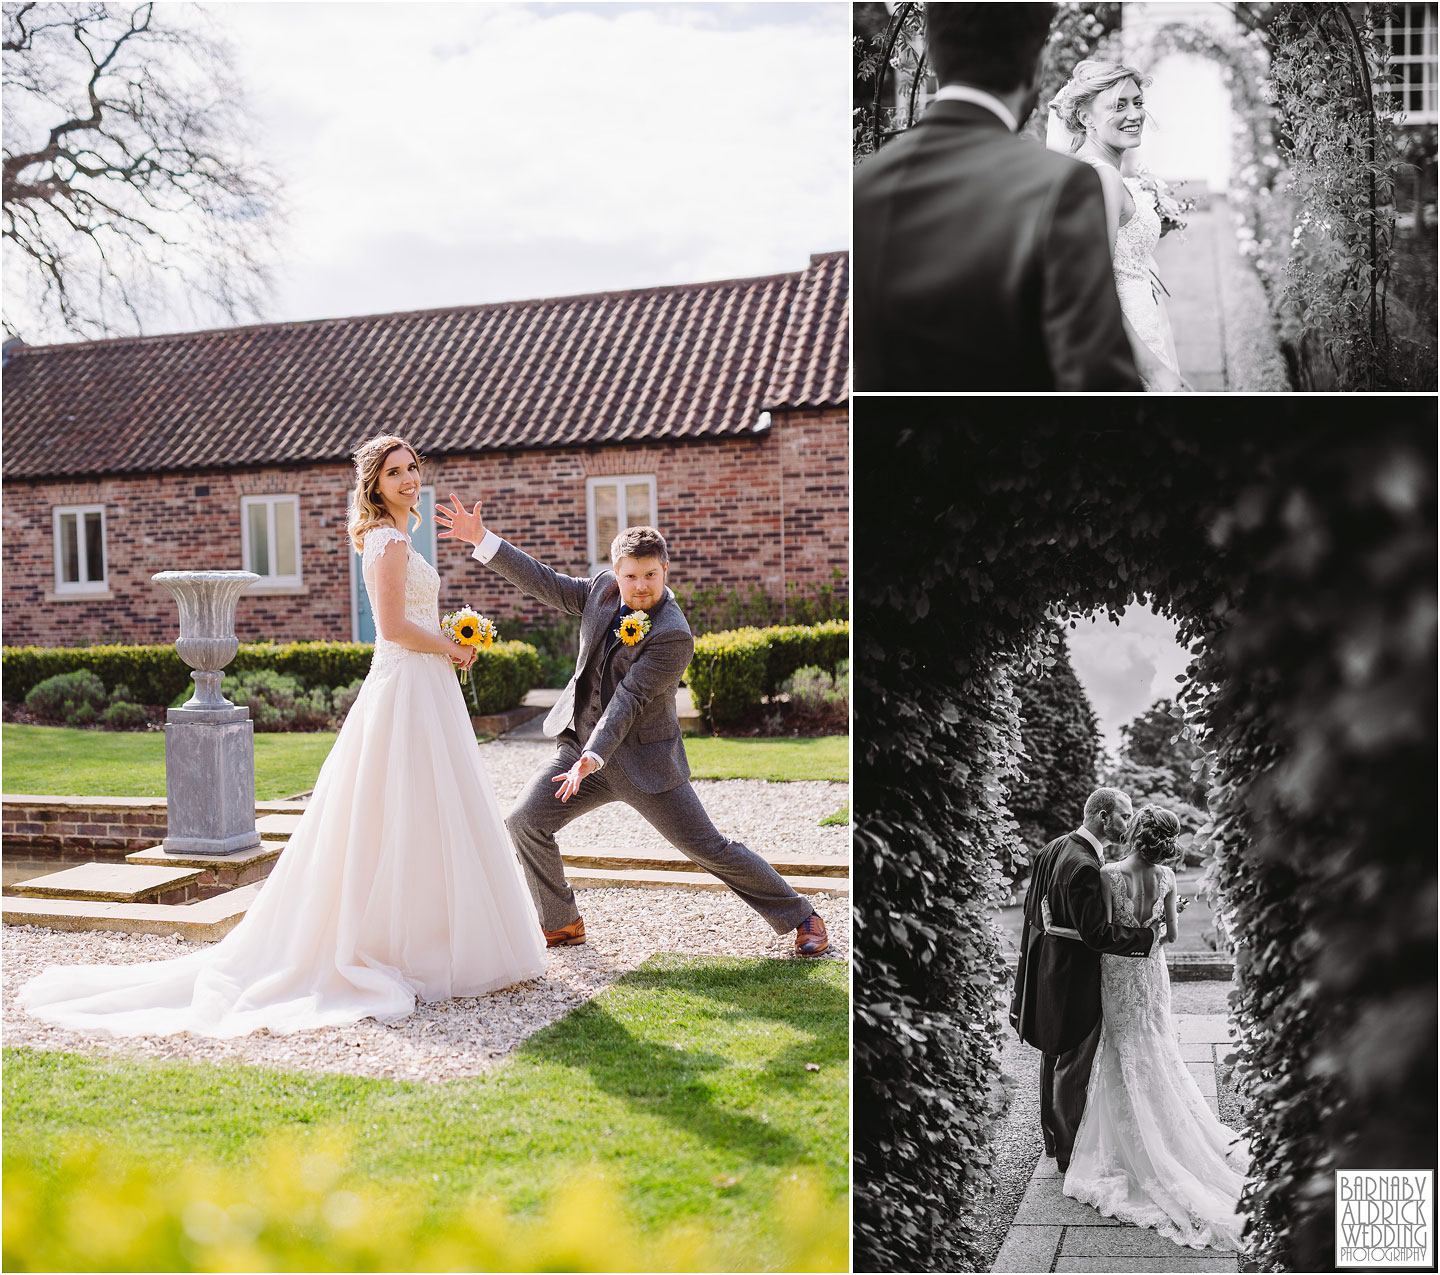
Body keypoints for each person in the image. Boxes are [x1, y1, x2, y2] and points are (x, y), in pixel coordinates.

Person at [18, 435, 547, 1038]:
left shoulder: (396, 537)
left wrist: (450, 645)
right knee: (400, 808)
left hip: (424, 688)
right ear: (373, 484)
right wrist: (454, 646)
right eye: (394, 473)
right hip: (406, 687)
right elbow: (396, 626)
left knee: (426, 810)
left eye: (413, 469)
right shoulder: (389, 540)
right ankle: (403, 945)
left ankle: (432, 936)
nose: (408, 480)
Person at [433, 495, 830, 958]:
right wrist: (481, 539)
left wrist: (593, 756)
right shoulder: (601, 590)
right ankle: (562, 923)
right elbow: (544, 581)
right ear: (615, 572)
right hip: (577, 750)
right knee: (525, 822)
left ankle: (802, 915)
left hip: (643, 761)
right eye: (630, 576)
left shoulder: (672, 633)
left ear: (665, 571)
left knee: (708, 847)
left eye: (650, 576)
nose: (639, 586)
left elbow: (630, 699)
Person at [853, 2, 1141, 391]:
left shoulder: (862, 188)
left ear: (934, 54)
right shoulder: (1061, 185)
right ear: (1037, 62)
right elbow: (1097, 382)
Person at [1064, 805, 1249, 1251]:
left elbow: (1107, 930)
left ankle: (1128, 1145)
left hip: (1119, 972)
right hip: (1151, 972)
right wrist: (1161, 919)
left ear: (1137, 833)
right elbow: (1171, 937)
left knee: (1122, 1047)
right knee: (1156, 1045)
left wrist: (1135, 925)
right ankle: (1165, 1133)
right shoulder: (1166, 876)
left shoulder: (1108, 872)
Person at [1009, 787, 1158, 1170]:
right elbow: (1098, 935)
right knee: (1072, 1066)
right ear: (1103, 816)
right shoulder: (1085, 867)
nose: (1128, 823)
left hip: (1047, 974)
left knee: (1052, 1056)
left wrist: (1054, 931)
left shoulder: (1053, 847)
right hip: (1073, 981)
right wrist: (1147, 936)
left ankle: (1051, 1139)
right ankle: (1069, 1155)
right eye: (1124, 816)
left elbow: (1033, 912)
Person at [1046, 60, 1191, 392]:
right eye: (1119, 105)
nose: (1135, 114)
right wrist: (1152, 370)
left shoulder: (1091, 169)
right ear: (1085, 117)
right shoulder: (1104, 176)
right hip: (1131, 335)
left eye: (1138, 102)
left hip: (1140, 322)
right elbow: (1094, 280)